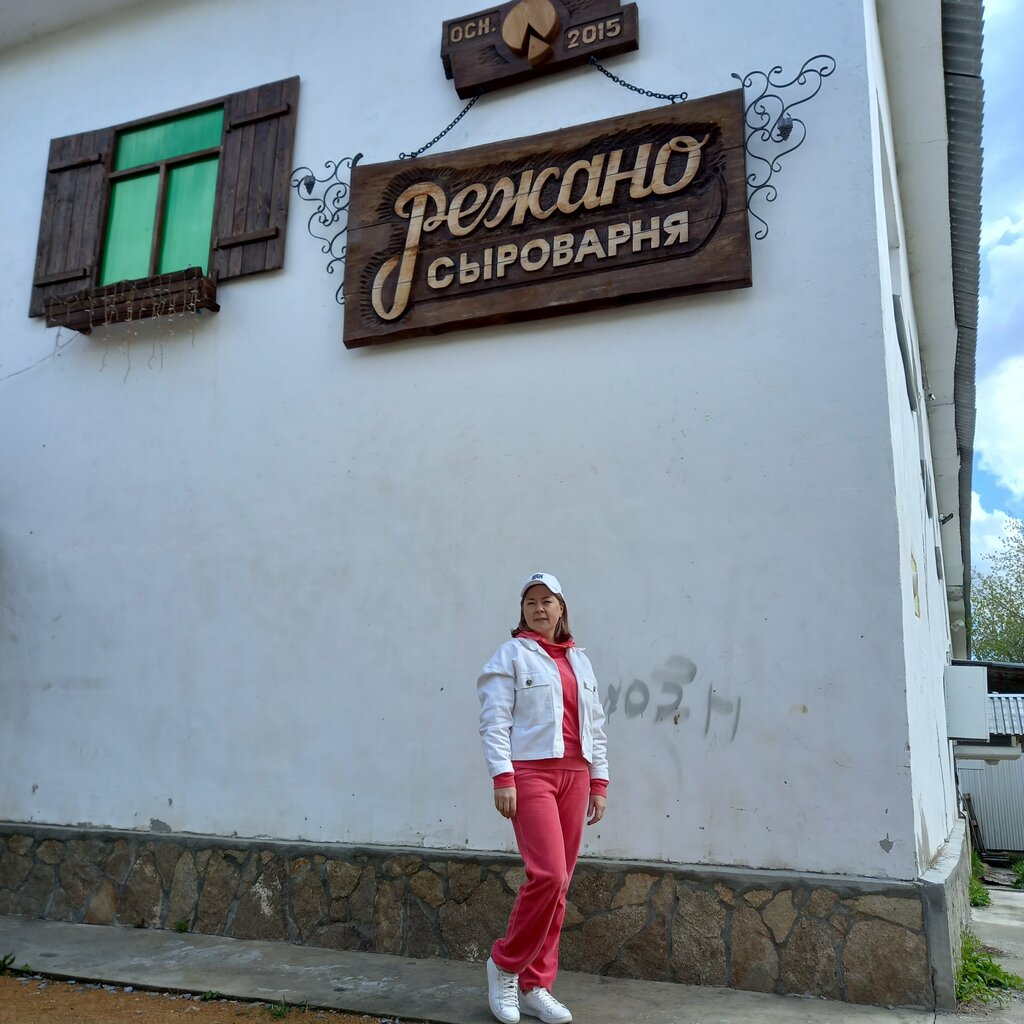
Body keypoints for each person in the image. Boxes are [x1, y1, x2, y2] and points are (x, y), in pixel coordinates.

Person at [477, 572, 609, 1024]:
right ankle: (505, 964)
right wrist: (503, 776)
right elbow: (494, 720)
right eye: (530, 602)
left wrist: (599, 782)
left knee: (561, 885)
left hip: (576, 774)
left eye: (547, 601)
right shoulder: (511, 655)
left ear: (561, 608)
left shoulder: (580, 662)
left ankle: (536, 984)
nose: (538, 608)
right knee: (548, 875)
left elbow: (596, 727)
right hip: (531, 774)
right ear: (523, 610)